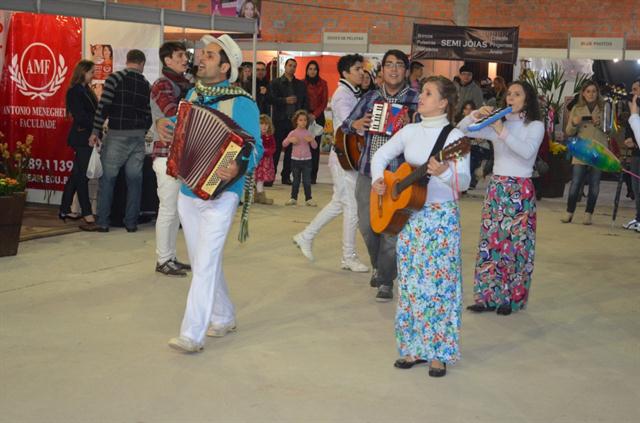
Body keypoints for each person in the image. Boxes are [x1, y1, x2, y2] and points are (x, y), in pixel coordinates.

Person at [163, 34, 263, 353]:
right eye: (201, 53)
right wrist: (165, 126)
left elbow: (254, 148)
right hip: (189, 189)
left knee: (203, 264)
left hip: (223, 193)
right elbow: (180, 127)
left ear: (224, 67)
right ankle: (223, 315)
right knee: (203, 259)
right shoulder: (193, 93)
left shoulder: (243, 103)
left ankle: (192, 334)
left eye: (209, 55)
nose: (200, 58)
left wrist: (237, 167)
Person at [372, 76, 470, 378]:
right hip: (411, 219)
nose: (422, 97)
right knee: (412, 285)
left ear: (443, 102)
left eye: (429, 93)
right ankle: (413, 347)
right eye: (422, 92)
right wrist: (379, 180)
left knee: (440, 286)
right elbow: (381, 155)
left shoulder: (454, 138)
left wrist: (441, 173)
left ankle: (439, 352)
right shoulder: (410, 131)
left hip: (440, 218)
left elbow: (463, 182)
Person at [458, 81, 544, 316]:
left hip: (520, 188)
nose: (511, 98)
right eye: (508, 94)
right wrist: (476, 114)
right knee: (491, 242)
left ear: (527, 100)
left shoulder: (535, 126)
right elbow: (462, 130)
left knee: (515, 246)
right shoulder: (499, 123)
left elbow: (526, 152)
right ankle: (486, 297)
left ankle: (511, 298)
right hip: (497, 187)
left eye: (517, 94)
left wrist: (500, 130)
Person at [341, 49, 420, 302]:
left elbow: (429, 132)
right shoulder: (371, 98)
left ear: (406, 71)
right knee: (367, 226)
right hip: (367, 172)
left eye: (399, 65)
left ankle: (385, 280)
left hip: (399, 174)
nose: (394, 69)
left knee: (391, 230)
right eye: (389, 65)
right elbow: (345, 124)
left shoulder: (416, 99)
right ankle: (379, 265)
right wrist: (356, 124)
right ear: (382, 70)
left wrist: (413, 125)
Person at [293, 54, 369, 272]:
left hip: (348, 155)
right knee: (351, 206)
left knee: (339, 202)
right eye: (357, 69)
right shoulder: (343, 95)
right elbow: (349, 123)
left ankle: (305, 236)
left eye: (361, 68)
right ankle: (348, 257)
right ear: (345, 73)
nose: (361, 72)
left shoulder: (351, 93)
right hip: (344, 157)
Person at [80, 49, 152, 233]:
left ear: (127, 61)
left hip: (117, 136)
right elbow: (148, 114)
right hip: (137, 138)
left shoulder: (114, 78)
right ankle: (131, 223)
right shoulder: (145, 83)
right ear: (141, 64)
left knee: (108, 181)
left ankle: (103, 222)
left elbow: (103, 107)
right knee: (135, 181)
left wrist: (95, 131)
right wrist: (142, 131)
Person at [149, 41, 193, 277]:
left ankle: (170, 256)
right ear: (167, 60)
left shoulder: (184, 84)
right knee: (168, 210)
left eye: (185, 55)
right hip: (166, 156)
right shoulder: (162, 84)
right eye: (180, 55)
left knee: (176, 211)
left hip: (180, 156)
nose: (185, 59)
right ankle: (163, 259)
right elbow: (174, 112)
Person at [561, 80, 607, 225]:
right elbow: (568, 131)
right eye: (588, 91)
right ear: (583, 93)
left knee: (594, 185)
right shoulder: (577, 108)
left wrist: (601, 124)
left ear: (597, 93)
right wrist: (574, 122)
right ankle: (569, 212)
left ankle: (588, 214)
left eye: (594, 91)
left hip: (598, 150)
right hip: (581, 150)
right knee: (575, 183)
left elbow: (612, 130)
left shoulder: (605, 108)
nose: (591, 94)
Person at [59, 60, 98, 226]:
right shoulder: (75, 91)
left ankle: (64, 209)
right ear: (83, 72)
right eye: (91, 72)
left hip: (88, 135)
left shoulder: (86, 90)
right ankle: (87, 212)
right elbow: (81, 116)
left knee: (77, 174)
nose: (93, 75)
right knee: (81, 176)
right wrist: (95, 128)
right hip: (82, 137)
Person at [269, 58, 309, 185]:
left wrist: (303, 119)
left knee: (290, 152)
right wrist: (284, 100)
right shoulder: (275, 83)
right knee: (275, 150)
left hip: (293, 123)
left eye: (294, 66)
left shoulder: (300, 84)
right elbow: (270, 99)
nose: (292, 68)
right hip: (280, 120)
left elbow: (304, 102)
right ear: (285, 67)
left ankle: (286, 176)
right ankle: (270, 176)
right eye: (290, 65)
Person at [283, 110, 317, 207]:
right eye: (300, 120)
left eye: (305, 120)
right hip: (295, 161)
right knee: (296, 181)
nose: (303, 122)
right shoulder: (293, 133)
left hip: (307, 161)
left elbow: (315, 146)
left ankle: (308, 199)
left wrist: (312, 140)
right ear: (296, 121)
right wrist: (289, 140)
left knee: (307, 181)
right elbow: (284, 144)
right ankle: (293, 198)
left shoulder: (308, 133)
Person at [304, 60, 328, 184]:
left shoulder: (323, 83)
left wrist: (314, 114)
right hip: (304, 118)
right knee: (304, 146)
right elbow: (301, 99)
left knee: (314, 147)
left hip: (318, 118)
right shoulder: (302, 83)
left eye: (315, 69)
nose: (312, 71)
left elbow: (324, 102)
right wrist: (307, 114)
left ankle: (313, 176)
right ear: (307, 71)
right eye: (310, 69)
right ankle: (304, 175)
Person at [624, 85, 640, 233]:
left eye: (636, 89)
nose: (633, 92)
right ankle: (638, 217)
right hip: (636, 155)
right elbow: (628, 130)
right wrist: (628, 139)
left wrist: (634, 115)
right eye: (633, 89)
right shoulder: (632, 112)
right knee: (636, 188)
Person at [255, 114, 276, 205]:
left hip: (265, 163)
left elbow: (273, 148)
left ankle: (260, 196)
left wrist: (266, 151)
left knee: (260, 179)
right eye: (261, 124)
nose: (264, 126)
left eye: (266, 124)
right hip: (256, 161)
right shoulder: (255, 136)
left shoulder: (269, 136)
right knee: (253, 178)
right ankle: (256, 195)